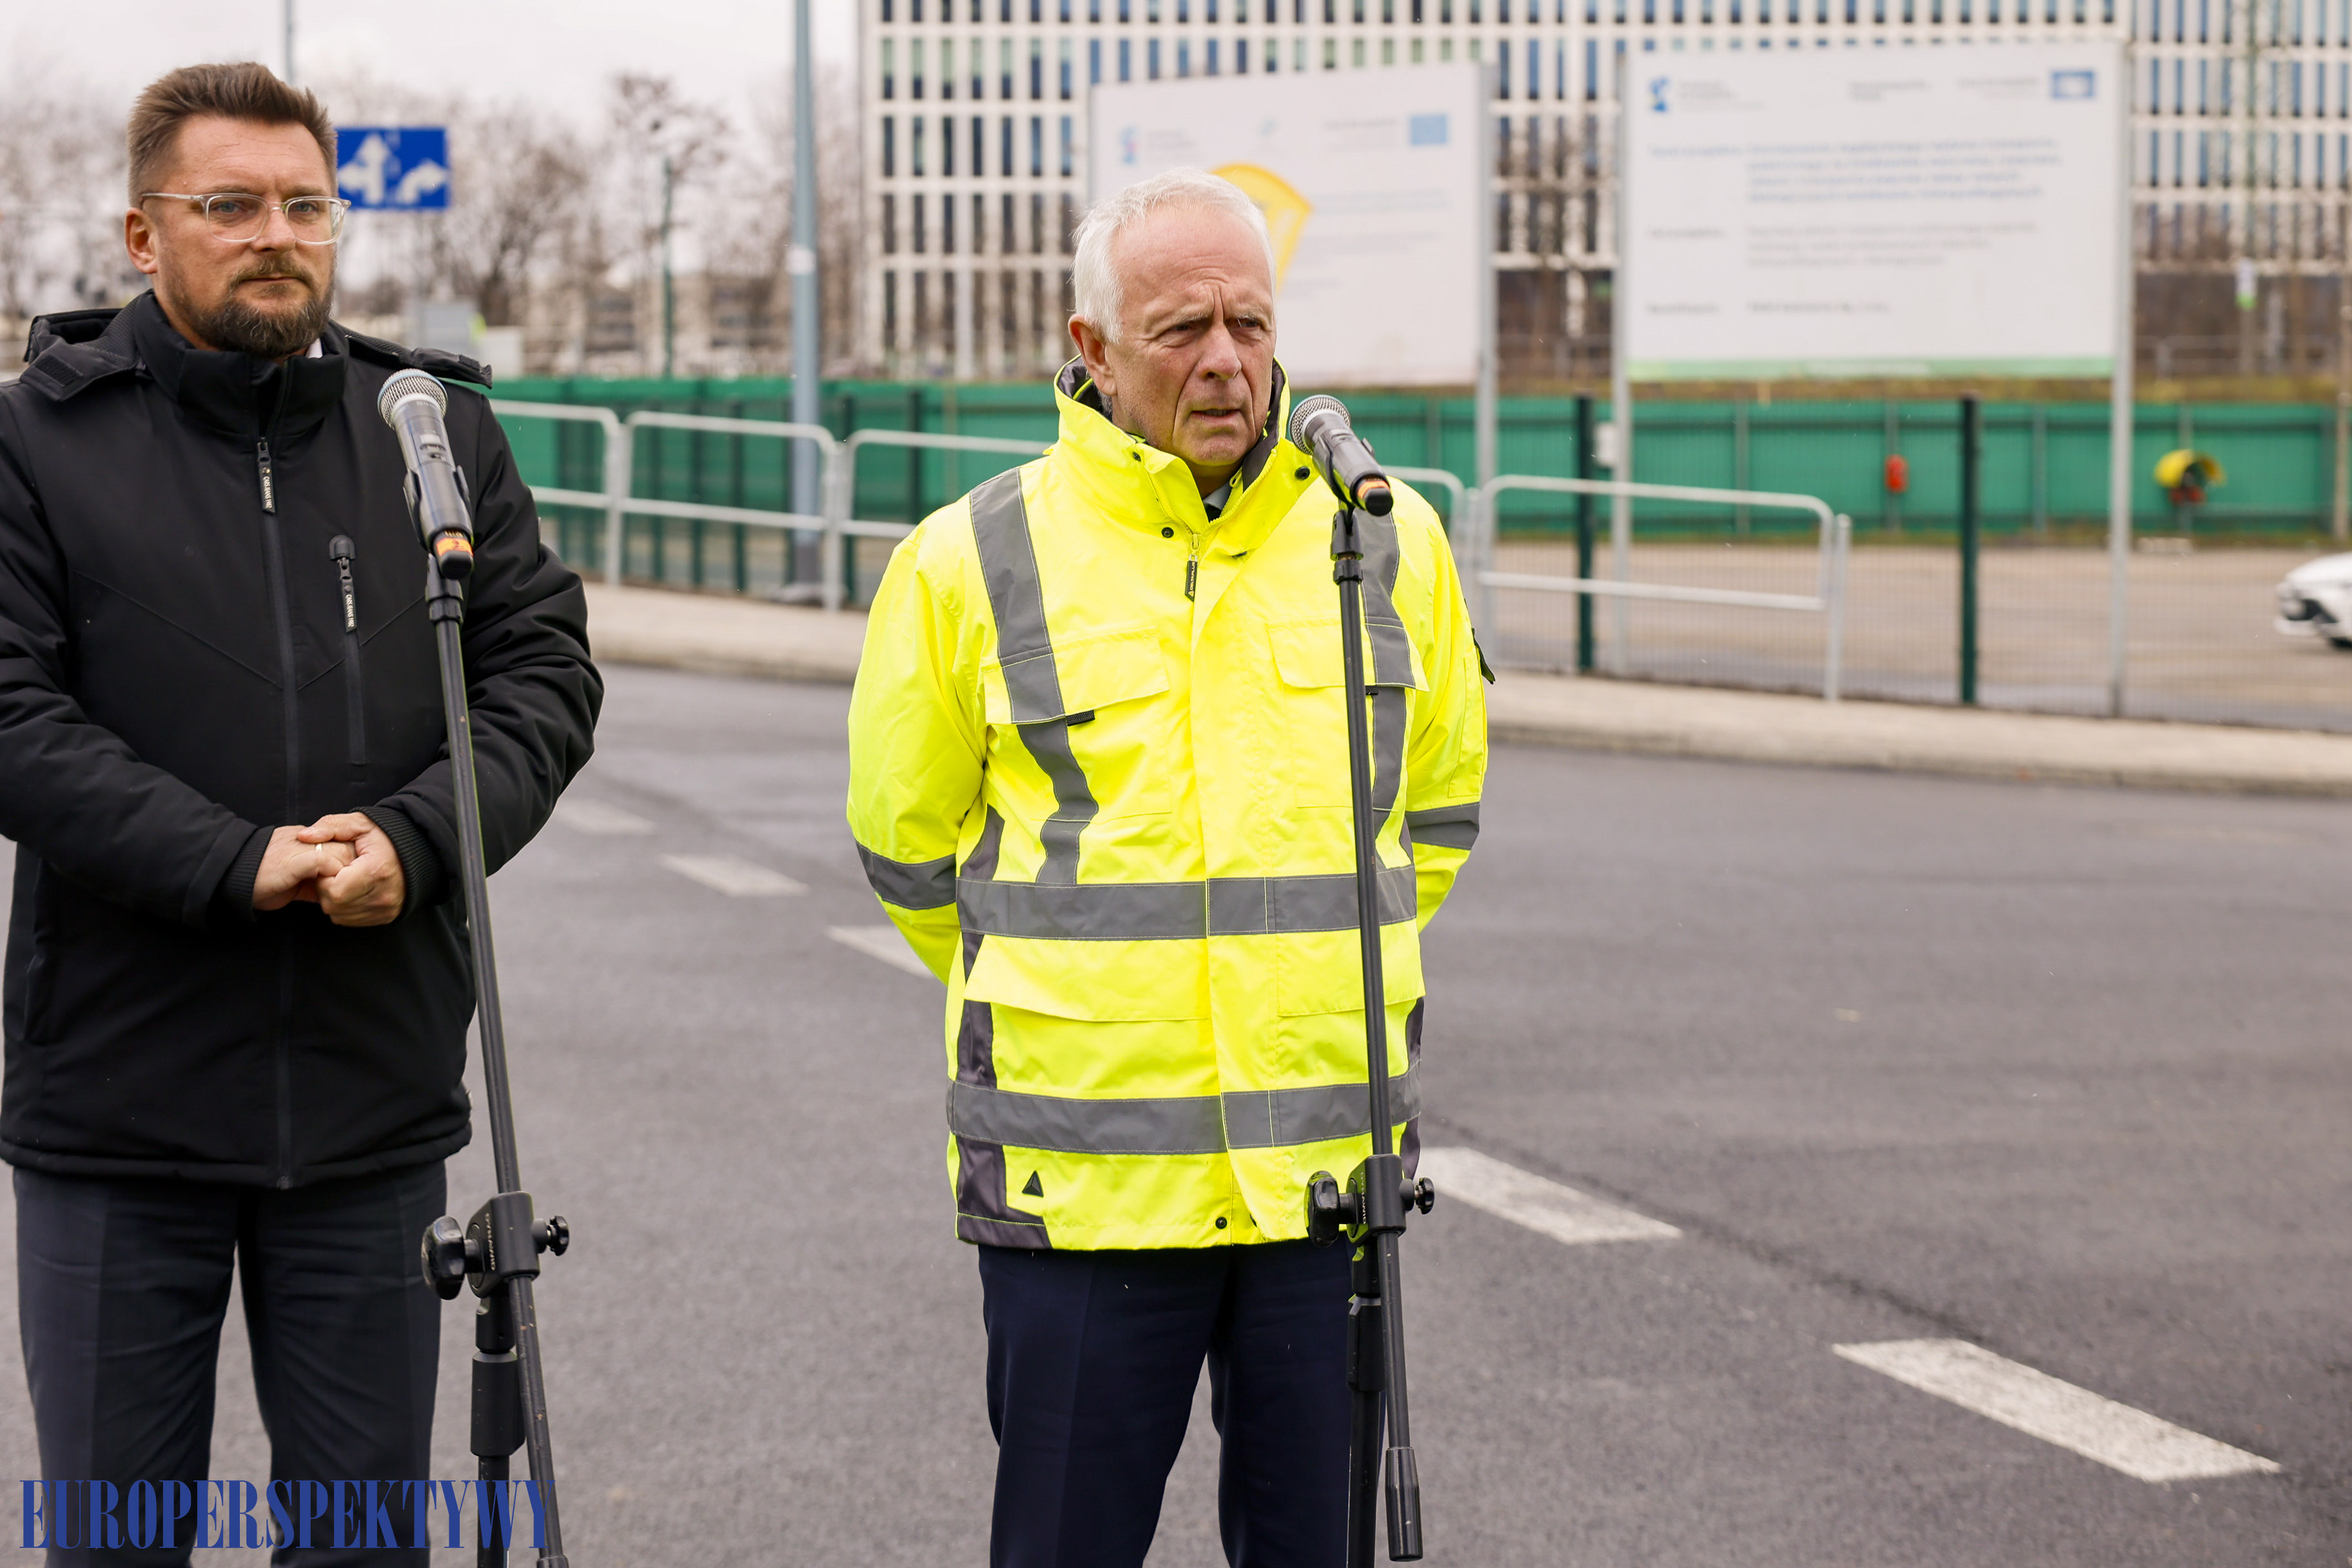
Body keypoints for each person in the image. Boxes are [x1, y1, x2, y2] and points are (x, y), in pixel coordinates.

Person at [846, 168, 1488, 1567]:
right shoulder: (972, 559)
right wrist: (1080, 1005)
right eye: (1181, 328)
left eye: (1250, 324)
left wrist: (1304, 986)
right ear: (1090, 349)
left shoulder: (1382, 541)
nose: (1226, 362)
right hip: (1086, 1196)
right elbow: (906, 851)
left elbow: (1432, 818)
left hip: (1323, 1184)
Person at [0, 63, 598, 1562]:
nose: (279, 235)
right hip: (117, 1121)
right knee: (115, 1540)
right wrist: (236, 863)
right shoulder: (36, 442)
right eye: (232, 206)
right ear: (144, 238)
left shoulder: (433, 434)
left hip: (369, 1112)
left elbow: (540, 672)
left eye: (306, 206)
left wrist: (418, 838)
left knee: (359, 1541)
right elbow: (14, 719)